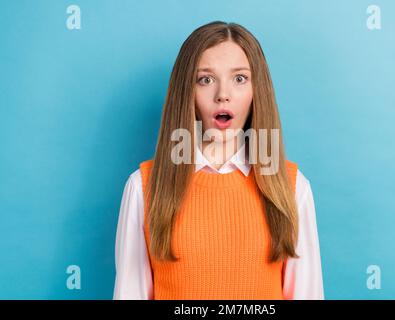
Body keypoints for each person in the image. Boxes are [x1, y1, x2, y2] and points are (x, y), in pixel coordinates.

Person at [113, 21, 324, 300]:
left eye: (239, 78)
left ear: (255, 91)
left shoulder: (293, 187)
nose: (222, 94)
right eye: (206, 79)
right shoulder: (143, 187)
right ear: (187, 92)